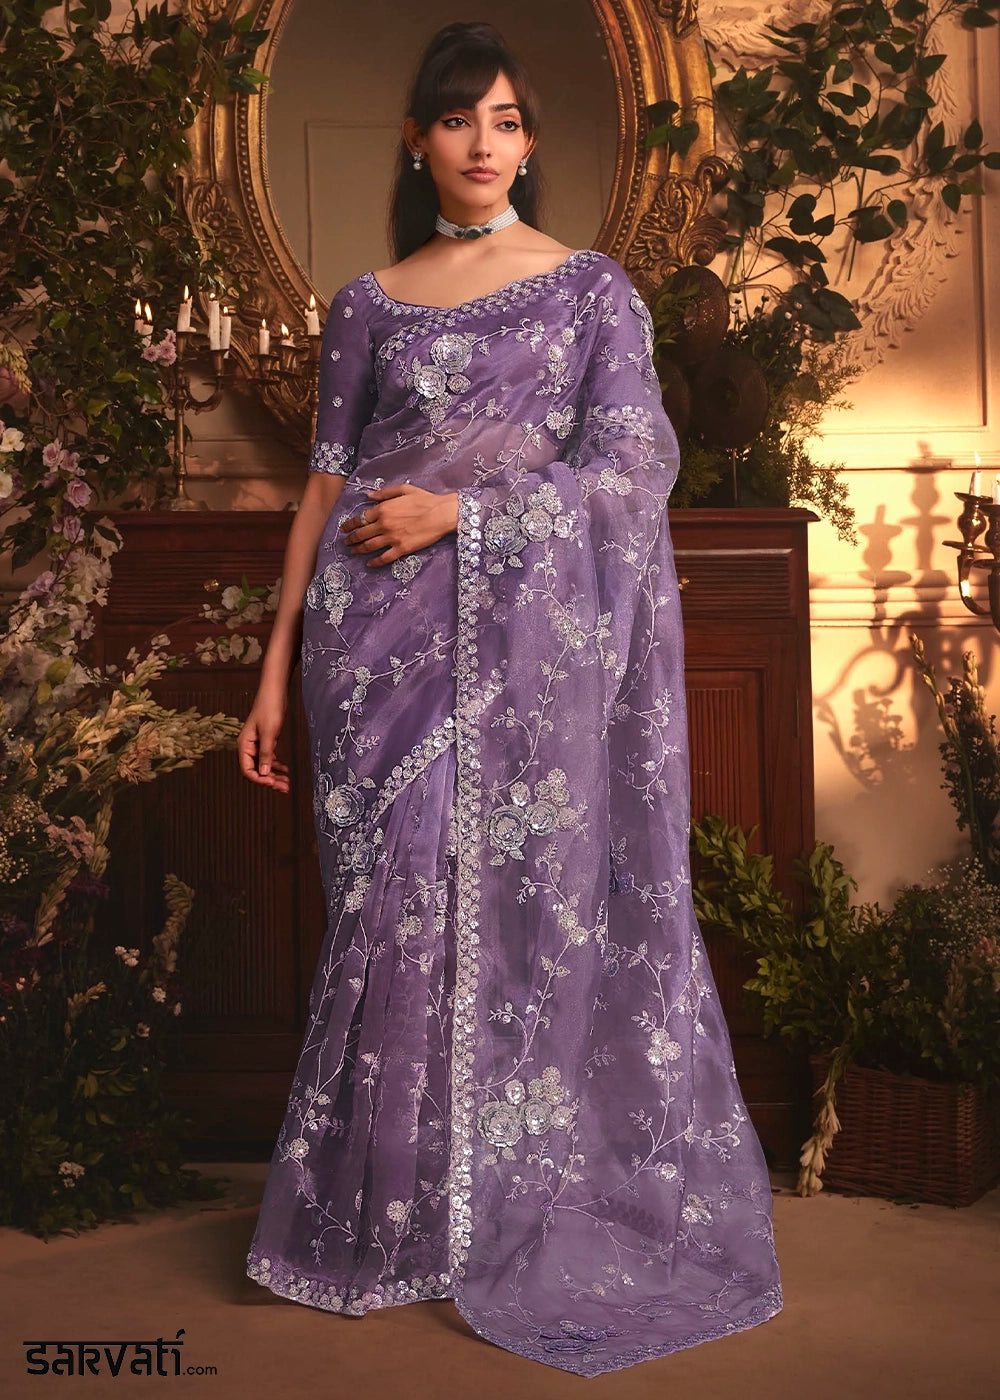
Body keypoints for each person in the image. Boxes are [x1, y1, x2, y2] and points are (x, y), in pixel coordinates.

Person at [238, 20, 782, 1377]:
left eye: (505, 120)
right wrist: (272, 666)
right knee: (393, 916)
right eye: (457, 118)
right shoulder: (368, 302)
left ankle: (501, 1209)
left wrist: (462, 516)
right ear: (416, 140)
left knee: (506, 910)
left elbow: (631, 470)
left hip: (522, 649)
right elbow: (321, 488)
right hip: (371, 644)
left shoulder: (589, 292)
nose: (483, 143)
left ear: (529, 144)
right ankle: (396, 1216)